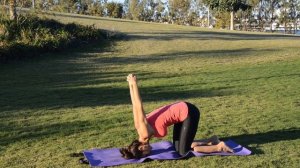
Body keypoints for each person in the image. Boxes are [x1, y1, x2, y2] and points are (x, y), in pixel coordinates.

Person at [120, 74, 233, 159]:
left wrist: (134, 83)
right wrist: (130, 85)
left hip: (188, 112)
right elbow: (134, 104)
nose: (149, 153)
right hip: (180, 116)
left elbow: (138, 104)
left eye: (146, 154)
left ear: (141, 148)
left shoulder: (144, 132)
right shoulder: (139, 128)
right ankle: (211, 140)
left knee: (183, 152)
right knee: (177, 147)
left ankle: (219, 146)